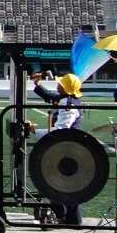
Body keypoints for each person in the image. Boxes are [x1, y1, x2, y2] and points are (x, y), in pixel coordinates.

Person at [31, 72, 85, 224]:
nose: (57, 85)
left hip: (67, 149)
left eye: (61, 83)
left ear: (66, 87)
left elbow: (61, 130)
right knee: (60, 182)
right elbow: (52, 97)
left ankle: (72, 218)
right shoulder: (67, 99)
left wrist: (34, 130)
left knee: (66, 183)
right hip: (65, 147)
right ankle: (63, 214)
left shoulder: (68, 105)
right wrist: (37, 85)